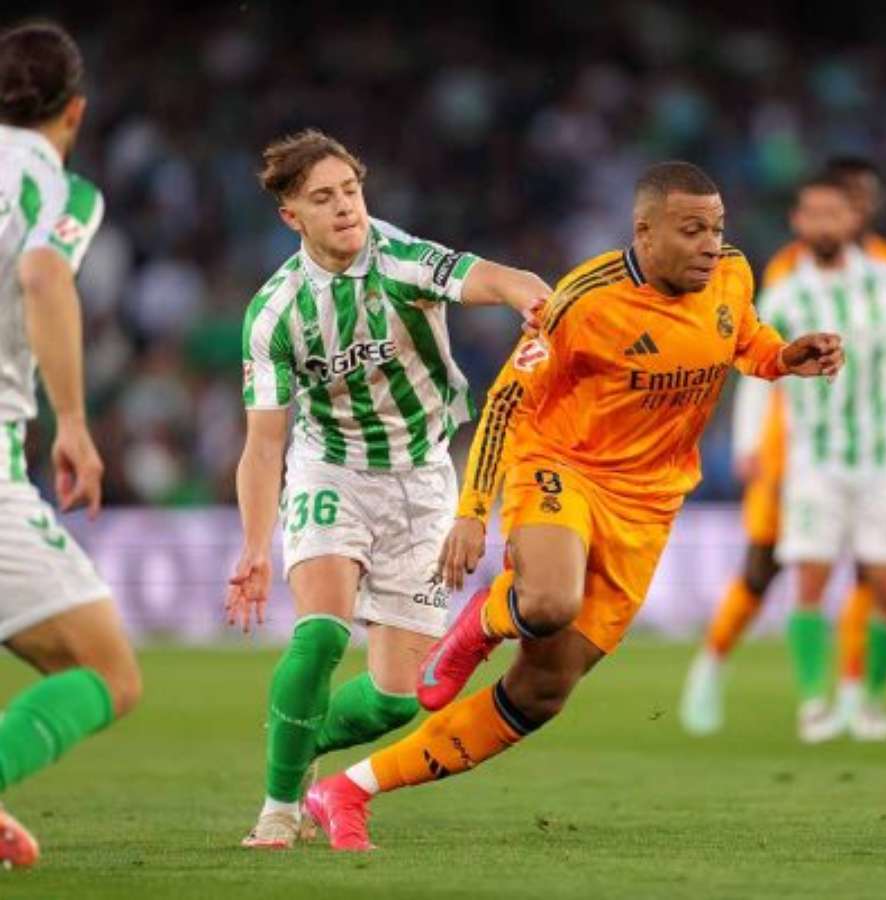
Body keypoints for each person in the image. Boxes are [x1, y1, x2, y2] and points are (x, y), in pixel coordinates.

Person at [302, 161, 844, 850]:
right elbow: (507, 398)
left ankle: (348, 790)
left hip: (649, 506)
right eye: (692, 231)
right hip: (564, 467)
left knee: (541, 693)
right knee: (550, 601)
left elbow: (742, 336)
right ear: (644, 232)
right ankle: (484, 620)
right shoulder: (582, 301)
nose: (711, 245)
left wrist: (782, 357)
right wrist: (473, 509)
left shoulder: (733, 273)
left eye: (717, 229)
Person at [224, 129, 550, 848]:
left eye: (351, 190)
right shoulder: (275, 313)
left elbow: (495, 278)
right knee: (321, 633)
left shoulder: (402, 259)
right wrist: (253, 546)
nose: (345, 207)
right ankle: (278, 809)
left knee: (397, 701)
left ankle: (297, 740)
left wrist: (533, 298)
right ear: (291, 216)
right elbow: (265, 443)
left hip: (424, 480)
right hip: (331, 469)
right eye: (323, 198)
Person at [680, 158, 886, 737]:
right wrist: (753, 442)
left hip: (869, 448)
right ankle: (711, 663)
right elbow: (761, 354)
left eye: (863, 200)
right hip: (792, 447)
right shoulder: (788, 270)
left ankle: (851, 690)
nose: (855, 210)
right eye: (846, 198)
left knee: (869, 573)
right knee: (763, 568)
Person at [0, 21, 142, 869]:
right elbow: (43, 273)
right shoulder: (59, 188)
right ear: (75, 111)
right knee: (107, 672)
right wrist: (75, 425)